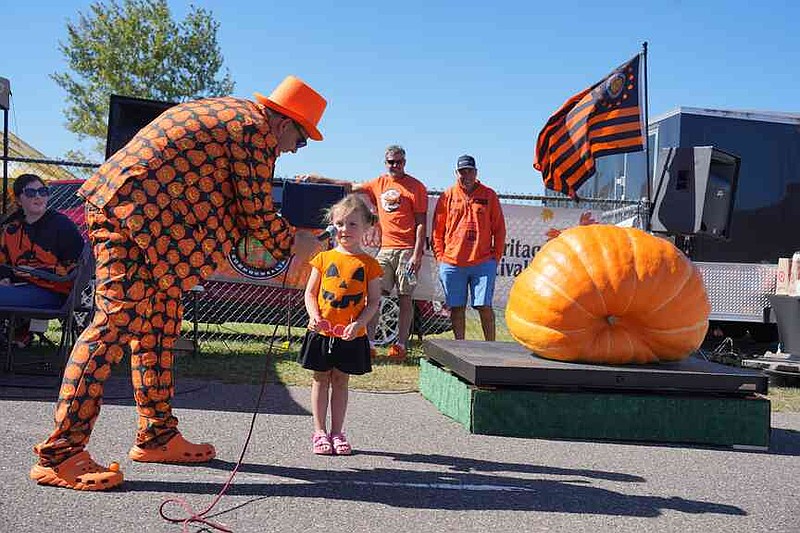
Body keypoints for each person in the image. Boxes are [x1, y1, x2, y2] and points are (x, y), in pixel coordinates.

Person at [30, 75, 327, 491]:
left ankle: (157, 435)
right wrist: (295, 244)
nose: (298, 148)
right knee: (112, 329)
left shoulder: (237, 116)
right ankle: (60, 454)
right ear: (284, 123)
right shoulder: (254, 130)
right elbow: (255, 211)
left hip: (150, 227)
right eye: (302, 137)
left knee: (159, 326)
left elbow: (235, 205)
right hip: (131, 219)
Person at [302, 145, 428, 358]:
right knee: (374, 295)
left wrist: (417, 253)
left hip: (407, 250)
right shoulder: (378, 183)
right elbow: (350, 186)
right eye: (391, 161)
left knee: (406, 297)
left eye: (399, 162)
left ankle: (400, 345)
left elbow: (421, 223)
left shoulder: (416, 187)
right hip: (386, 248)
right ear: (385, 162)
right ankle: (368, 343)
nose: (395, 165)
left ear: (405, 162)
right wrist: (321, 179)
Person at [300, 194, 382, 455]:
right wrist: (314, 316)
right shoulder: (323, 259)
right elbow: (310, 293)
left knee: (341, 380)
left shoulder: (369, 265)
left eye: (353, 224)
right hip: (322, 331)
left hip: (350, 334)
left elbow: (373, 302)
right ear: (332, 225)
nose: (345, 230)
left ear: (367, 226)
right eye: (340, 224)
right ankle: (319, 431)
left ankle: (337, 432)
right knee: (320, 378)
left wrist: (359, 325)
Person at [0, 173, 85, 345]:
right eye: (31, 193)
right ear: (18, 200)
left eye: (42, 191)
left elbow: (75, 268)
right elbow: (3, 261)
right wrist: (4, 277)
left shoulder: (62, 225)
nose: (38, 196)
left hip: (54, 292)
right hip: (19, 288)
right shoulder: (12, 228)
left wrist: (38, 273)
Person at [431, 155, 506, 341]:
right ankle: (460, 349)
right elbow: (437, 230)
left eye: (470, 171)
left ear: (476, 172)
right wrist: (440, 257)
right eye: (462, 171)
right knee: (456, 307)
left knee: (484, 306)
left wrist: (495, 258)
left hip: (482, 263)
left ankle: (491, 347)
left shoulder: (489, 195)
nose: (466, 175)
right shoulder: (447, 195)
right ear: (457, 173)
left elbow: (499, 229)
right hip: (452, 262)